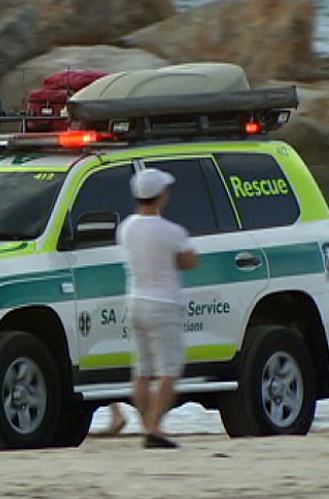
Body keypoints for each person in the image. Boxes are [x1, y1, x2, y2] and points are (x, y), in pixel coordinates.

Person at [116, 168, 198, 449]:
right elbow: (189, 262)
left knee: (142, 369)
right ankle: (155, 427)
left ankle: (146, 425)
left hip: (136, 300)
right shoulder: (172, 231)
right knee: (168, 371)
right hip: (164, 303)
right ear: (161, 196)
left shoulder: (126, 227)